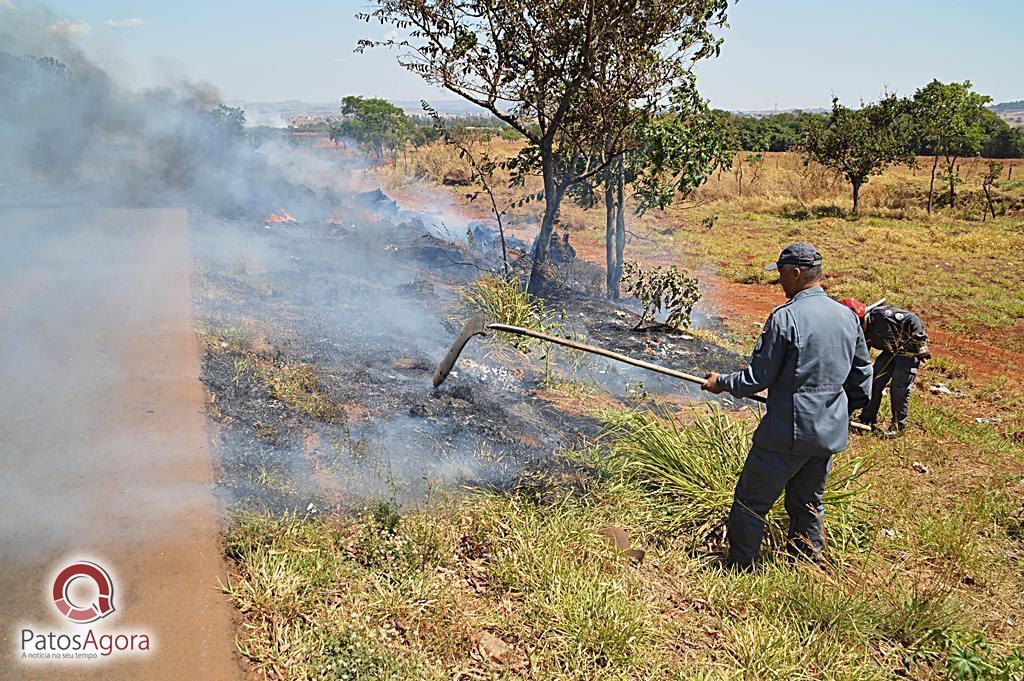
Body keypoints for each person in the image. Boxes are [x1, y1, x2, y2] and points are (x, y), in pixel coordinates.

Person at [702, 243, 872, 570]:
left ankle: (740, 569)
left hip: (786, 434)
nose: (779, 282)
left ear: (795, 273)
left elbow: (757, 378)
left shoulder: (786, 318)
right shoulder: (847, 317)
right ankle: (806, 564)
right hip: (827, 434)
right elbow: (863, 375)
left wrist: (720, 382)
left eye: (780, 274)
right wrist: (838, 409)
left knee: (751, 503)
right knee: (808, 503)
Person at [840, 298, 929, 434]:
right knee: (874, 380)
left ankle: (898, 426)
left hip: (908, 351)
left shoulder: (881, 315)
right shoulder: (862, 331)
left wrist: (921, 342)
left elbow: (912, 318)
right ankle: (867, 417)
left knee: (899, 387)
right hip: (890, 353)